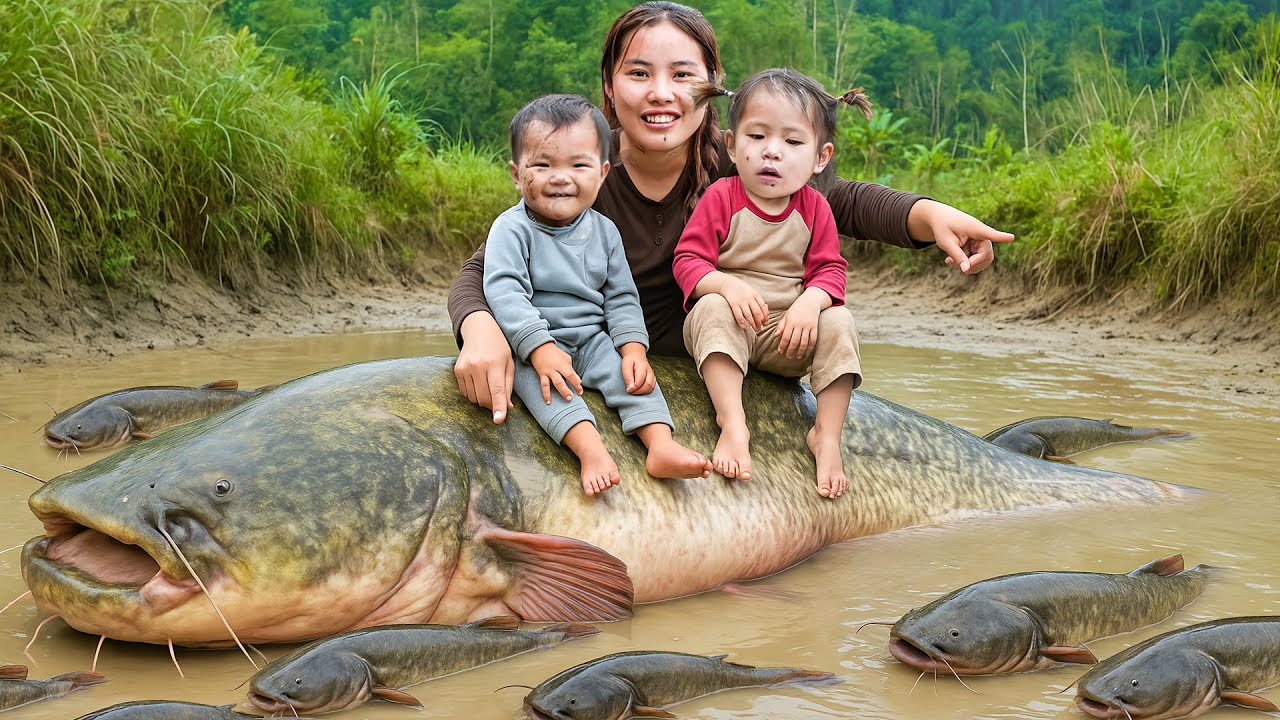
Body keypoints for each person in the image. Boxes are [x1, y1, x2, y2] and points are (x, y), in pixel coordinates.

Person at [448, 1, 1015, 427]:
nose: (661, 93)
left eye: (684, 75)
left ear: (711, 87)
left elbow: (842, 200)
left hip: (732, 354)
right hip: (613, 367)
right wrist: (481, 333)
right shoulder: (579, 172)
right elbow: (482, 271)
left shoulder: (736, 159)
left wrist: (929, 215)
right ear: (609, 85)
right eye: (639, 73)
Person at [483, 94, 712, 496]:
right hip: (531, 345)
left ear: (603, 172)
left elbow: (622, 297)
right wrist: (538, 348)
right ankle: (590, 451)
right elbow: (504, 291)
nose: (560, 176)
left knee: (633, 380)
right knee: (549, 389)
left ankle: (660, 444)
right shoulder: (511, 229)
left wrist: (634, 349)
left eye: (578, 165)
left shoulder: (605, 231)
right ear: (517, 174)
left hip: (592, 340)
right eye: (543, 164)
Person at [674, 69, 871, 497]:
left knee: (839, 320)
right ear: (732, 144)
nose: (772, 153)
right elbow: (688, 261)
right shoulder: (721, 197)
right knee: (709, 308)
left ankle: (827, 436)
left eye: (793, 142)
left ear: (821, 157)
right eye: (757, 137)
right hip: (733, 328)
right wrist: (726, 286)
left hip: (789, 336)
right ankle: (733, 422)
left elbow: (831, 271)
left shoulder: (814, 207)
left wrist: (809, 305)